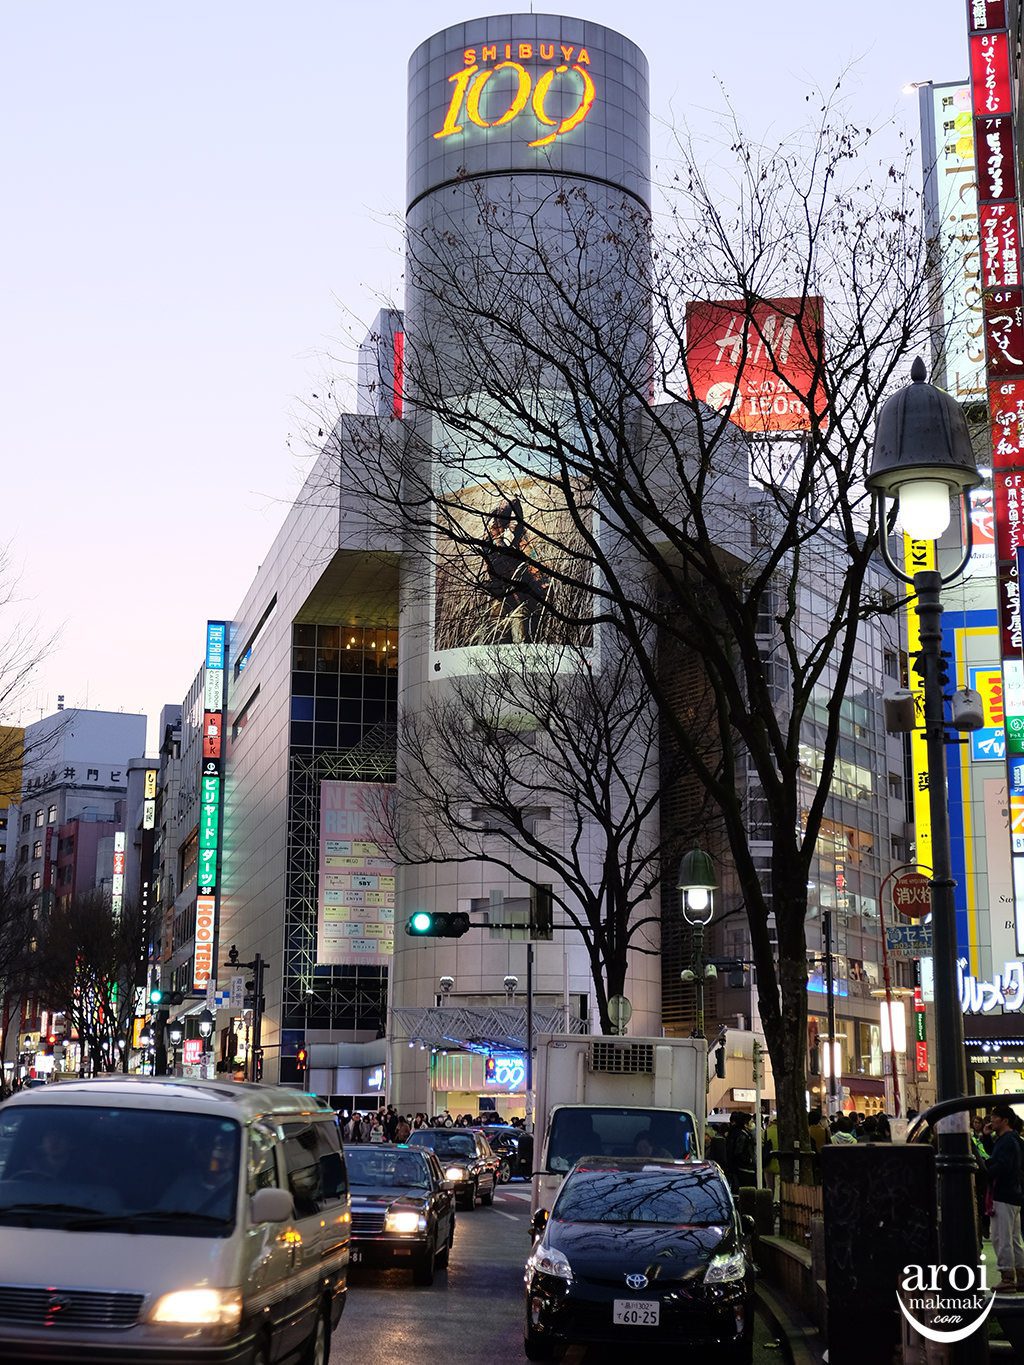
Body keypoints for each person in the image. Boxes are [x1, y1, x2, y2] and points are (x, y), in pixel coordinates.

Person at [478, 497, 553, 644]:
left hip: (521, 600)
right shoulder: (492, 540)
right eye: (510, 519)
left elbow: (534, 565)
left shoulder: (521, 541)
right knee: (494, 627)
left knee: (519, 626)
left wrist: (543, 583)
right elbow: (491, 561)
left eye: (516, 519)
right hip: (501, 595)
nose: (514, 523)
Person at [986, 1103, 1024, 1292]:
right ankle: (1021, 1276)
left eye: (994, 1117)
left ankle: (1007, 1278)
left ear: (1005, 1120)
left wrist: (987, 1171)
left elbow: (1002, 1166)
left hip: (1003, 1193)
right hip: (1015, 1193)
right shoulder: (1014, 1139)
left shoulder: (1006, 1142)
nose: (991, 1120)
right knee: (1015, 1238)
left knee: (1001, 1237)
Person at [724, 1112, 756, 1192]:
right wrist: (749, 1160)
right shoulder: (742, 1134)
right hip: (744, 1169)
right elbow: (739, 1152)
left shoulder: (732, 1133)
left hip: (735, 1168)